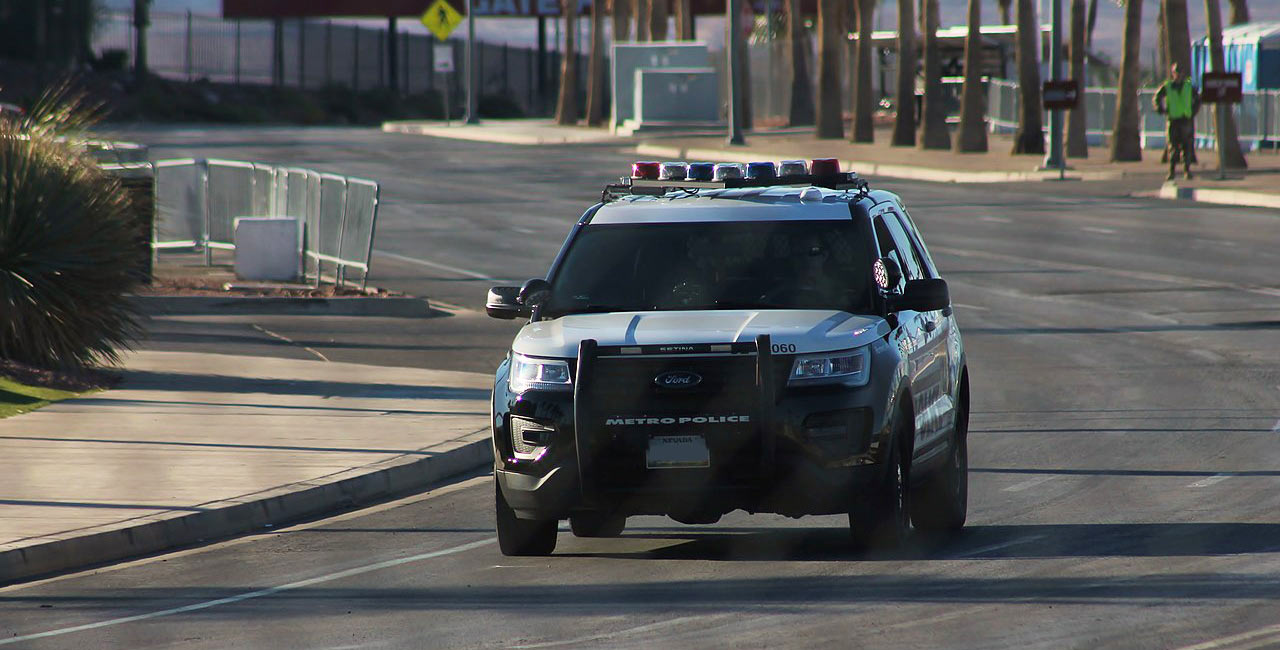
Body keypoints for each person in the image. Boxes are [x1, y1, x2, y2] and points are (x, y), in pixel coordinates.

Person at [1153, 62, 1201, 181]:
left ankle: (1187, 171)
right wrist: (1160, 108)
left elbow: (1198, 99)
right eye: (1176, 73)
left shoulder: (1189, 87)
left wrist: (1193, 111)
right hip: (1173, 120)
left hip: (1185, 120)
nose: (1178, 75)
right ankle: (1172, 171)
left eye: (1180, 73)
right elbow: (1157, 97)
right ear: (1173, 73)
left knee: (1187, 147)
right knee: (1173, 148)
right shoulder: (1168, 86)